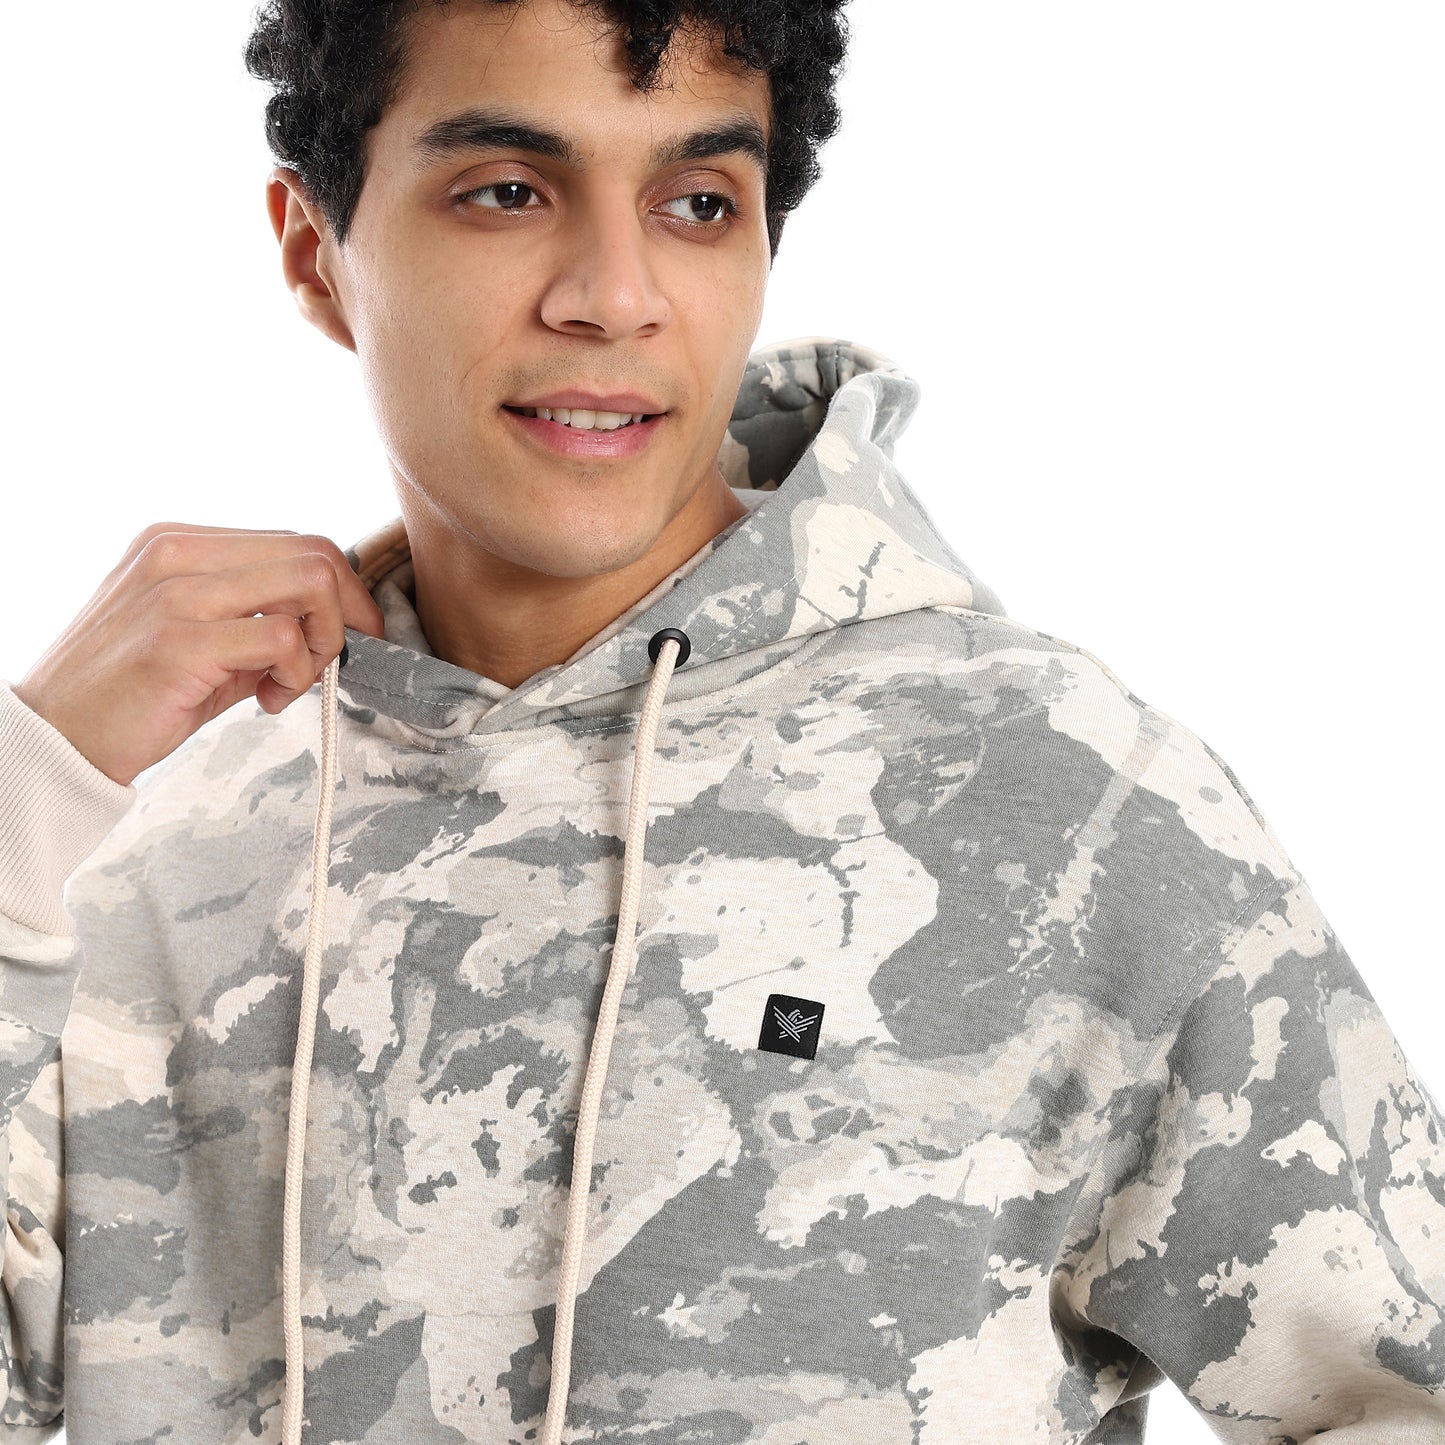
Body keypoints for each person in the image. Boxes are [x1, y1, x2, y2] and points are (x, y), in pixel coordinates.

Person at [1, 0, 1441, 1439]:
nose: (613, 296)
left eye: (696, 203)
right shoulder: (135, 859)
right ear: (317, 252)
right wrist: (28, 782)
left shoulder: (1060, 799)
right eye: (507, 191)